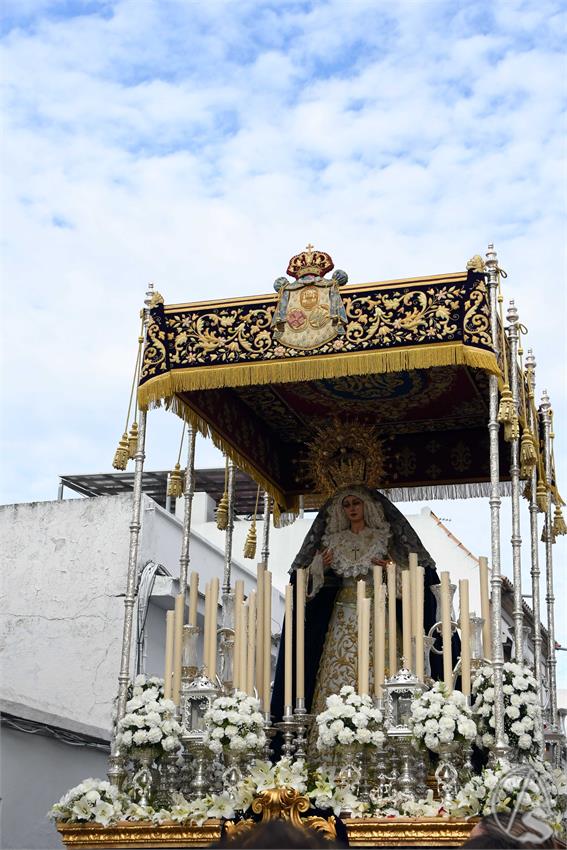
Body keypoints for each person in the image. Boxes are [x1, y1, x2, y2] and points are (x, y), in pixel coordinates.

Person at [271, 484, 454, 726]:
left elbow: (410, 578)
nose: (352, 509)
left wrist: (390, 568)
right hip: (342, 615)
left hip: (379, 613)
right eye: (346, 505)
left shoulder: (382, 537)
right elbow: (305, 587)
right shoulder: (333, 540)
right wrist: (319, 567)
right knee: (338, 670)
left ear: (367, 506)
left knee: (383, 667)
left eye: (356, 503)